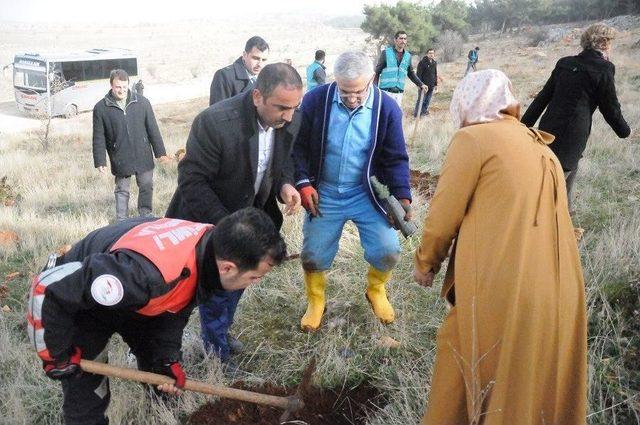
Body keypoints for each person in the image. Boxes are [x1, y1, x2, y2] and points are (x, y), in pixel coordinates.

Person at [413, 69, 587, 424]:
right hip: (561, 291)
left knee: (464, 363)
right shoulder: (538, 143)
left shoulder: (474, 139)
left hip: (504, 286)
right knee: (530, 382)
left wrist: (425, 262)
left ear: (466, 104)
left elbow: (444, 213)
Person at [27, 207, 286, 425]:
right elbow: (47, 288)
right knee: (87, 398)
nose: (254, 283)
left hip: (133, 297)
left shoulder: (210, 248)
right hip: (77, 300)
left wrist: (165, 358)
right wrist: (55, 355)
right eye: (255, 277)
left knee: (163, 375)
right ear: (228, 268)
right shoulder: (148, 275)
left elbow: (175, 305)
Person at [166, 63, 302, 365]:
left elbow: (283, 161)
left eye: (294, 108)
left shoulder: (289, 118)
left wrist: (285, 185)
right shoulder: (215, 122)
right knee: (204, 290)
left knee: (236, 284)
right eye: (281, 108)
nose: (289, 116)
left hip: (250, 218)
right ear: (257, 97)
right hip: (205, 221)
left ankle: (220, 334)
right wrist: (228, 228)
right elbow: (192, 180)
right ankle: (209, 356)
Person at [293, 51, 412, 332]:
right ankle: (316, 301)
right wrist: (303, 182)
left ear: (371, 80)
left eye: (358, 91)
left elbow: (395, 157)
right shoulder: (315, 101)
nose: (351, 98)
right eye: (345, 91)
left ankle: (376, 291)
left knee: (388, 250)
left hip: (365, 194)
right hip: (325, 193)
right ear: (335, 80)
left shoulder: (387, 109)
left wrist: (402, 196)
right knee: (313, 254)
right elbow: (296, 148)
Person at [521, 23, 631, 210]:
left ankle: (565, 228)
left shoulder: (565, 63)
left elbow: (542, 98)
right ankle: (545, 229)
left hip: (547, 129)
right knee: (552, 190)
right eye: (610, 42)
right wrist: (624, 131)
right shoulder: (604, 68)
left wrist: (523, 126)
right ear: (604, 43)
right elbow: (610, 107)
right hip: (573, 135)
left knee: (559, 184)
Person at [92, 69, 170, 221]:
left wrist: (160, 152)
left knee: (146, 185)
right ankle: (121, 220)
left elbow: (153, 128)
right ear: (111, 86)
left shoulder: (142, 102)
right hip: (120, 155)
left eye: (124, 86)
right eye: (118, 87)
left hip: (142, 152)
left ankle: (145, 214)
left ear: (128, 84)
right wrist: (100, 160)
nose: (121, 90)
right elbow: (98, 136)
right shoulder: (101, 108)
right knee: (122, 189)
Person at [209, 36, 269, 106]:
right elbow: (217, 113)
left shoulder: (265, 78)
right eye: (255, 58)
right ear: (244, 55)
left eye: (264, 60)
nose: (260, 64)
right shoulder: (225, 76)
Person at [374, 31, 428, 108]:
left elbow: (411, 73)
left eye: (405, 39)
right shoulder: (386, 53)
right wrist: (375, 88)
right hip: (385, 92)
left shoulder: (408, 56)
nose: (403, 41)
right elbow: (377, 72)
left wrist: (421, 84)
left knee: (395, 118)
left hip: (399, 93)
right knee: (384, 117)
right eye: (401, 38)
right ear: (395, 40)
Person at [414, 48, 441, 117]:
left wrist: (435, 84)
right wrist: (419, 84)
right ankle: (417, 114)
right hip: (423, 86)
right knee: (421, 100)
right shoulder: (422, 62)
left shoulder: (434, 63)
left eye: (432, 53)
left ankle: (424, 111)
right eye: (430, 53)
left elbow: (435, 73)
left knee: (427, 100)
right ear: (427, 54)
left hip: (431, 85)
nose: (431, 54)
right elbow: (418, 74)